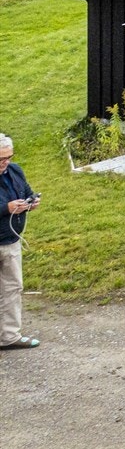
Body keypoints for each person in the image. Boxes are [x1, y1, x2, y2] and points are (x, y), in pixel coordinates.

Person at [0, 133, 41, 350]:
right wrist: (6, 208)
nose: (5, 162)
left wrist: (31, 201)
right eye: (1, 159)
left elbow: (26, 191)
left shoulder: (15, 171)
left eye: (8, 157)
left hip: (10, 241)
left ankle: (9, 336)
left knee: (13, 287)